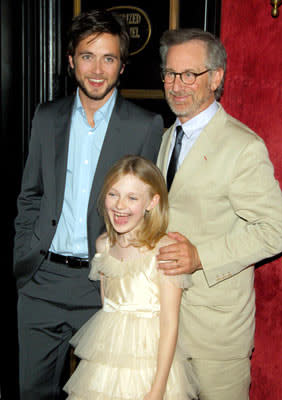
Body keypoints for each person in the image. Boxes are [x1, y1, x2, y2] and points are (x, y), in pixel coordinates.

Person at [14, 9, 163, 400]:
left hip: (102, 286)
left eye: (109, 58)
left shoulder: (145, 125)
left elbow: (152, 210)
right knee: (31, 391)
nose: (97, 69)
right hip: (41, 281)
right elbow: (30, 194)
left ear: (122, 66)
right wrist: (24, 252)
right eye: (87, 56)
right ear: (70, 61)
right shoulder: (47, 117)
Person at [156, 28, 282, 400]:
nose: (177, 85)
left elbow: (275, 229)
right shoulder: (167, 138)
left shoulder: (243, 147)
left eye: (189, 74)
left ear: (216, 78)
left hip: (216, 336)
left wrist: (200, 256)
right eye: (170, 73)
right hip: (165, 327)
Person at [63, 155, 199, 400]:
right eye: (113, 194)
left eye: (132, 198)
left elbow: (170, 325)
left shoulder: (165, 250)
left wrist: (157, 389)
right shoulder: (103, 245)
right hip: (107, 362)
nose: (120, 205)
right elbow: (108, 307)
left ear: (152, 202)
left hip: (150, 365)